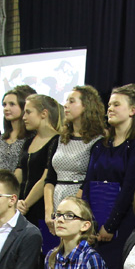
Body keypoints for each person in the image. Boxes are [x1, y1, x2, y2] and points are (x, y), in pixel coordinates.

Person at [82, 86, 135, 269]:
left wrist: (110, 225)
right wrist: (89, 224)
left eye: (116, 104)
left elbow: (130, 187)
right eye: (109, 105)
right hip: (95, 222)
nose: (110, 109)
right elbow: (87, 184)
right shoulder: (99, 145)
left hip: (122, 223)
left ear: (132, 110)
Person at [47, 85, 106, 220]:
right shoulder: (59, 139)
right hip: (57, 200)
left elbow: (90, 179)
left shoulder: (97, 141)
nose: (65, 105)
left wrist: (72, 208)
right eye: (66, 101)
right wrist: (49, 210)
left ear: (86, 106)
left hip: (79, 203)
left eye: (72, 101)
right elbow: (50, 178)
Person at [17, 93, 61, 253]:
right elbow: (19, 173)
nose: (24, 117)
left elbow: (45, 178)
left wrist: (25, 204)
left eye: (28, 112)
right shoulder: (28, 141)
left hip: (40, 207)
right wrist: (14, 200)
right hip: (21, 207)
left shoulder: (56, 141)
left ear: (44, 113)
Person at [0, 85, 36, 175]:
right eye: (4, 105)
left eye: (12, 104)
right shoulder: (2, 138)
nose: (6, 108)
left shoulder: (31, 137)